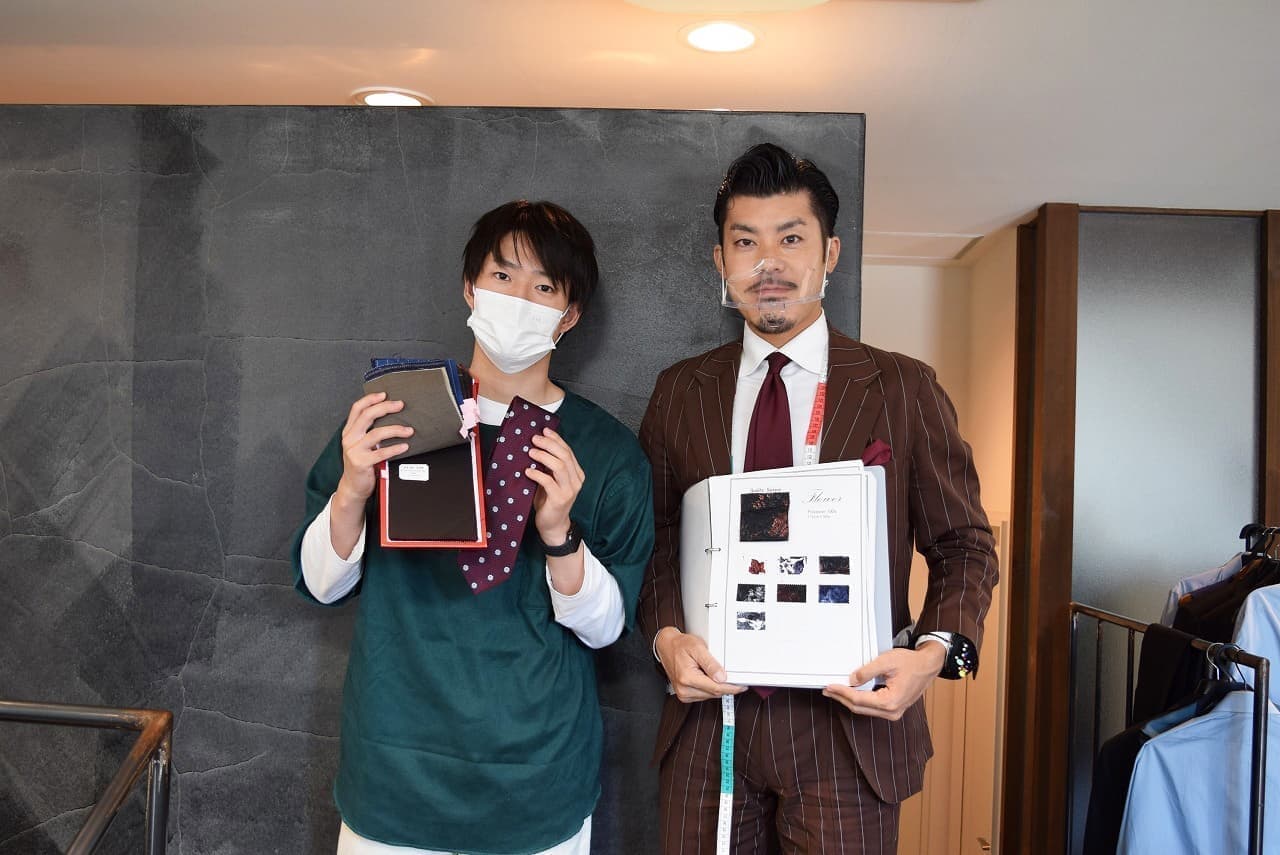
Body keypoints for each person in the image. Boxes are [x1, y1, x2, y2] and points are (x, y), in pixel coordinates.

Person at [638, 143, 998, 853]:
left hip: (849, 721)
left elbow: (964, 544)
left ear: (829, 253)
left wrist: (933, 653)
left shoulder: (901, 387)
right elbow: (655, 539)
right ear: (720, 261)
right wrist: (665, 637)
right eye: (746, 242)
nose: (768, 263)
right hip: (711, 721)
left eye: (791, 239)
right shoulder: (681, 391)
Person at [291, 200, 654, 855]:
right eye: (503, 276)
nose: (518, 299)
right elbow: (321, 584)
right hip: (394, 774)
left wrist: (559, 532)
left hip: (536, 783)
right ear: (470, 288)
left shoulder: (605, 452)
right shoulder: (394, 417)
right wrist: (352, 488)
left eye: (544, 287)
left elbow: (606, 628)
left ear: (569, 314)